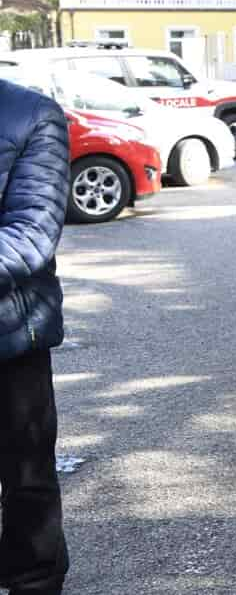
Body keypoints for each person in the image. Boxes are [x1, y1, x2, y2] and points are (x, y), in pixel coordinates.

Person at [0, 76, 71, 595]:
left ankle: (35, 580)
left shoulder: (30, 113)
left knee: (26, 480)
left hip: (11, 333)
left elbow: (31, 232)